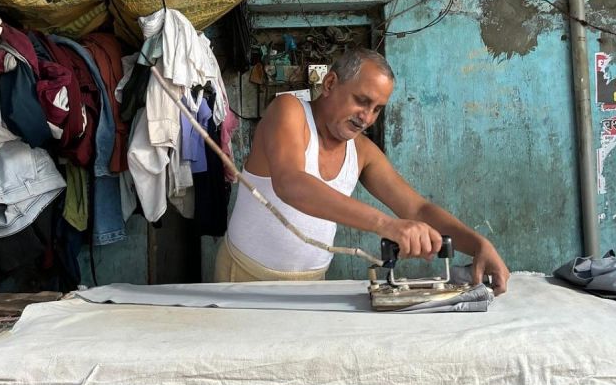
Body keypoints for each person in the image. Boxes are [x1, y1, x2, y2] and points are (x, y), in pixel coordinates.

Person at [216, 46, 510, 293]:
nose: (367, 117)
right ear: (329, 84)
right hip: (244, 276)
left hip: (312, 282)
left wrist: (477, 244)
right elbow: (291, 182)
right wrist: (386, 225)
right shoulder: (289, 111)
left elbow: (417, 209)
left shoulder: (363, 152)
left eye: (378, 109)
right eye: (362, 101)